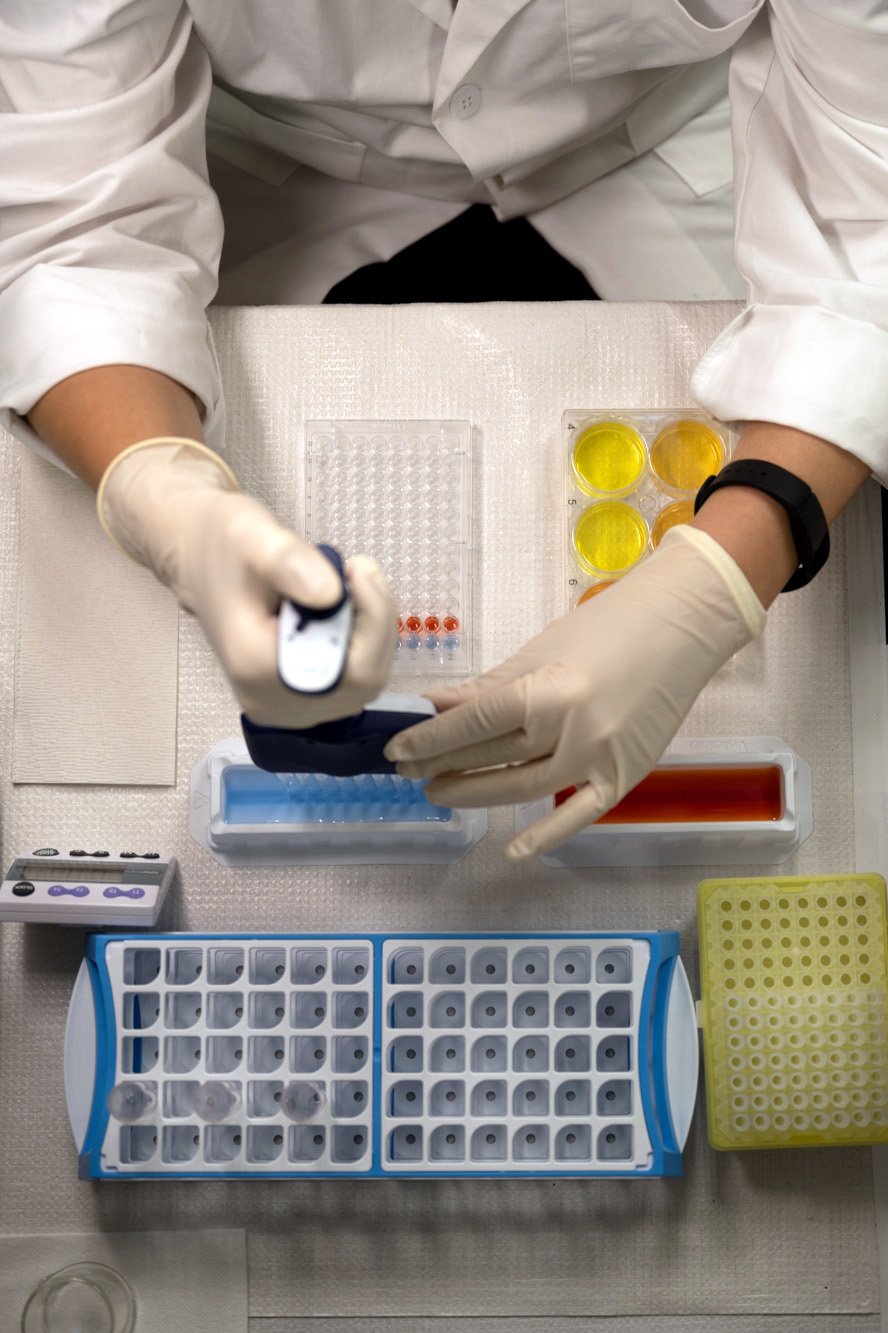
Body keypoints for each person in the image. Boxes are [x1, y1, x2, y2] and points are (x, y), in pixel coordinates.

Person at [1, 2, 883, 860]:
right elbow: (74, 227)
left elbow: (869, 232)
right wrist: (165, 491)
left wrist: (721, 571)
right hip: (288, 153)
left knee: (812, 730)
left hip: (664, 133)